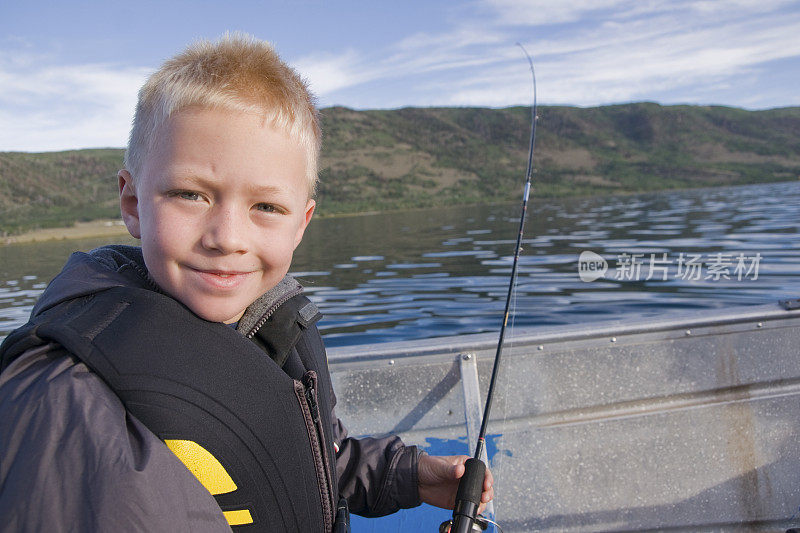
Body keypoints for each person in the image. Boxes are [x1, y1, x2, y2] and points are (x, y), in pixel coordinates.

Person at [0, 33, 492, 531]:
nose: (227, 238)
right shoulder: (66, 405)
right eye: (190, 195)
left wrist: (407, 475)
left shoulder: (265, 329)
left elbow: (297, 460)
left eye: (266, 207)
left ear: (301, 221)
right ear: (132, 203)